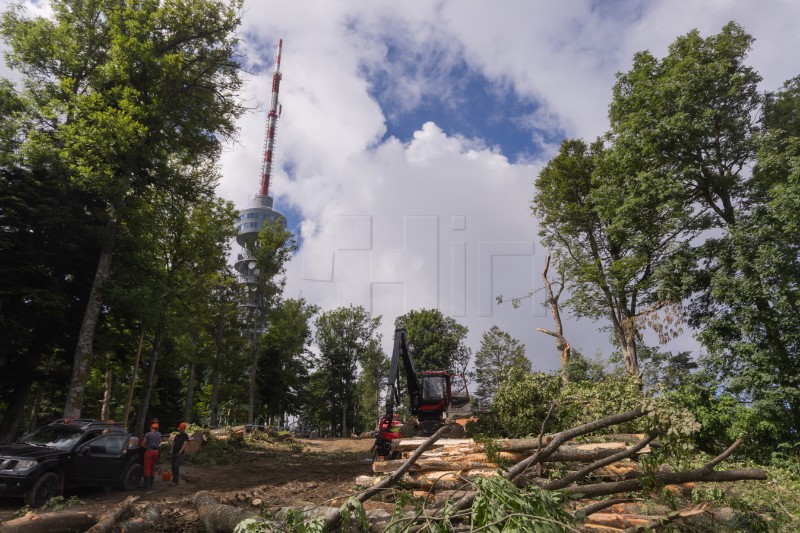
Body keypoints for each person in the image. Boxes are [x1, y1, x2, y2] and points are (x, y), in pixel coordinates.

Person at [142, 422, 161, 491]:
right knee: (152, 468)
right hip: (156, 452)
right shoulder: (159, 434)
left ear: (152, 428)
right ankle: (151, 484)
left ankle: (146, 486)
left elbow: (143, 444)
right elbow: (159, 442)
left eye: (151, 428)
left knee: (147, 468)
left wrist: (144, 445)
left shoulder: (148, 434)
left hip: (149, 452)